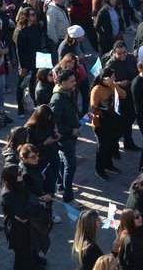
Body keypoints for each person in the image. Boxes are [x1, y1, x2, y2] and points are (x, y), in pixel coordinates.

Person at [0, 164, 50, 270]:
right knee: (23, 252)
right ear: (11, 177)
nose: (22, 173)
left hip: (26, 226)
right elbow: (21, 213)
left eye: (21, 170)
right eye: (19, 172)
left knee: (30, 247)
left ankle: (34, 260)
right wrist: (39, 207)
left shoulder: (19, 184)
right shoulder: (7, 194)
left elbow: (28, 197)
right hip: (17, 230)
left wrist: (40, 199)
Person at [50, 67, 82, 201]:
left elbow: (72, 110)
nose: (74, 83)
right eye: (71, 81)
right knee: (71, 165)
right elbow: (54, 123)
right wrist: (71, 130)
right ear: (62, 83)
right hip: (66, 138)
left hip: (71, 135)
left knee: (63, 162)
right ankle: (68, 197)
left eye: (74, 81)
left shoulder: (68, 93)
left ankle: (61, 186)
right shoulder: (57, 99)